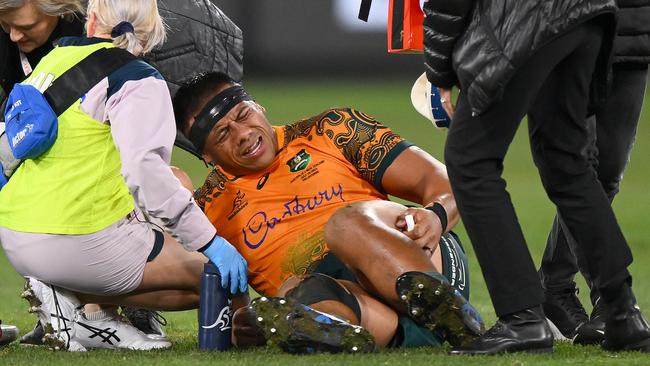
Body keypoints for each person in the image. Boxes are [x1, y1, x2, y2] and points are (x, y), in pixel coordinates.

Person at [172, 72, 485, 353]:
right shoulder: (207, 209)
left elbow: (442, 181)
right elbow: (186, 282)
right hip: (370, 312)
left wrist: (437, 214)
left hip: (416, 255)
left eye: (243, 114)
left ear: (259, 107)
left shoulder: (334, 130)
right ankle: (332, 332)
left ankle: (446, 308)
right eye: (222, 134)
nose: (242, 134)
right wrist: (244, 320)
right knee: (297, 294)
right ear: (207, 156)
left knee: (346, 225)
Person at [0, 0, 248, 352]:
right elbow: (145, 172)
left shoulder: (50, 62)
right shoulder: (137, 77)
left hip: (16, 236)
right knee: (216, 279)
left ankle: (85, 312)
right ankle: (75, 302)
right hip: (72, 240)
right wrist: (210, 243)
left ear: (93, 19)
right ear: (152, 31)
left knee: (172, 184)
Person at [423, 0, 650, 354]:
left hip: (525, 17)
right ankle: (623, 314)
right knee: (568, 164)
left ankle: (522, 319)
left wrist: (438, 69)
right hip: (591, 15)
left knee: (470, 158)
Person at [538, 0, 650, 345]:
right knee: (579, 166)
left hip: (634, 34)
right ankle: (610, 300)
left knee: (608, 173)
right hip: (570, 27)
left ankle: (554, 285)